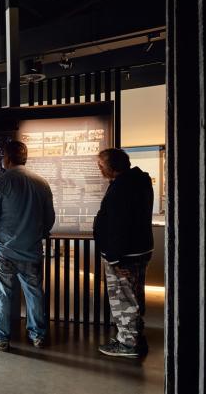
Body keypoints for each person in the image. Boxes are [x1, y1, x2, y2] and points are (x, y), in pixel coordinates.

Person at [0, 141, 55, 352]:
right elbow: (49, 218)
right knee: (34, 292)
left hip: (4, 250)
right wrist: (38, 235)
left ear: (7, 159)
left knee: (2, 293)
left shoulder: (1, 183)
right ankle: (38, 335)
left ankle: (0, 338)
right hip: (32, 249)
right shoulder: (41, 183)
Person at [93, 148, 153, 358]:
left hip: (124, 255)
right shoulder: (138, 181)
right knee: (134, 295)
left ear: (113, 167)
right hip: (137, 251)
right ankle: (134, 337)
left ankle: (128, 344)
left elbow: (118, 225)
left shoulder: (122, 187)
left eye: (101, 165)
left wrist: (114, 258)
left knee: (124, 298)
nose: (99, 169)